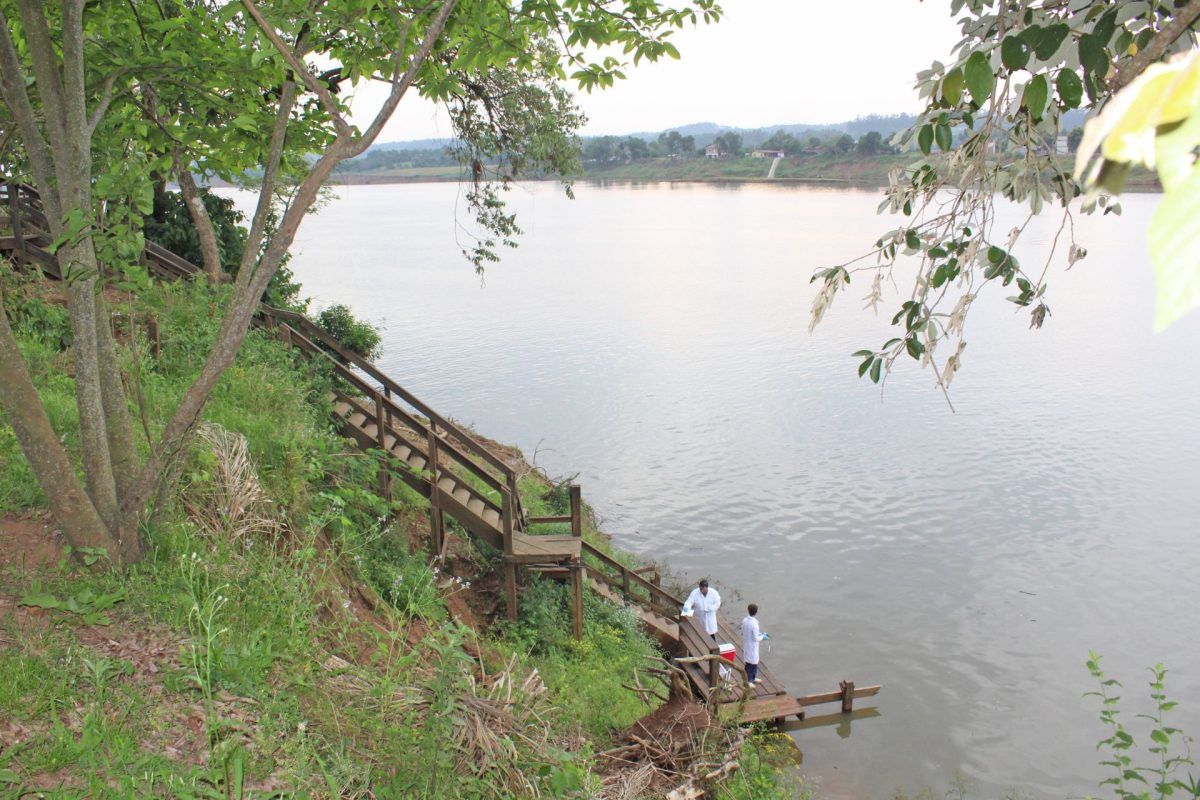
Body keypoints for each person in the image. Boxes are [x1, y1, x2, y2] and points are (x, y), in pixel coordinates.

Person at [741, 603, 767, 685]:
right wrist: (762, 637)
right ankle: (748, 680)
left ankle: (753, 677)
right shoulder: (754, 624)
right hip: (752, 645)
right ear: (756, 612)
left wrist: (759, 633)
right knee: (752, 663)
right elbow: (756, 638)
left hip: (747, 643)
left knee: (751, 662)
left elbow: (750, 632)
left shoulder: (745, 620)